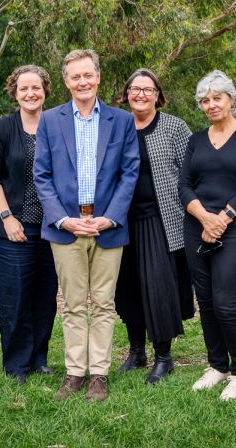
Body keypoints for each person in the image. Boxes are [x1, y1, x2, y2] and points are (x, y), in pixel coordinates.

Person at [34, 49, 140, 402]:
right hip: (66, 226)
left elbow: (129, 173)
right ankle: (75, 372)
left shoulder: (121, 121)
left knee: (104, 303)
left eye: (87, 75)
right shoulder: (50, 120)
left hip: (108, 225)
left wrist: (110, 217)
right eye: (75, 76)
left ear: (98, 77)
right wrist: (63, 220)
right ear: (66, 81)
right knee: (74, 303)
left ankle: (99, 374)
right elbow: (42, 175)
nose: (82, 81)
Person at [178, 70, 236, 401]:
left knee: (226, 303)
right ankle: (218, 365)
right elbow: (184, 184)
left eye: (217, 98)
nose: (211, 104)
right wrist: (204, 217)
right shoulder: (196, 140)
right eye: (205, 100)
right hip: (197, 227)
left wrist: (223, 219)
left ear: (230, 99)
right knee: (207, 302)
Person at [114, 69, 195, 384]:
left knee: (157, 286)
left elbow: (191, 172)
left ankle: (164, 356)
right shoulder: (118, 126)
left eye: (148, 89)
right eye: (135, 89)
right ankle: (136, 351)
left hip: (161, 218)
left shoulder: (174, 127)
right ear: (127, 93)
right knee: (126, 288)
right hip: (121, 218)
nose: (140, 94)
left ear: (158, 95)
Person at [0, 65, 58, 384]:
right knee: (14, 297)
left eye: (36, 88)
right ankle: (16, 364)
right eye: (24, 88)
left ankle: (39, 358)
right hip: (12, 228)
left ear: (45, 91)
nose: (30, 93)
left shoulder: (57, 126)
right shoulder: (2, 129)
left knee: (45, 296)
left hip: (52, 228)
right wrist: (7, 217)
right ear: (14, 92)